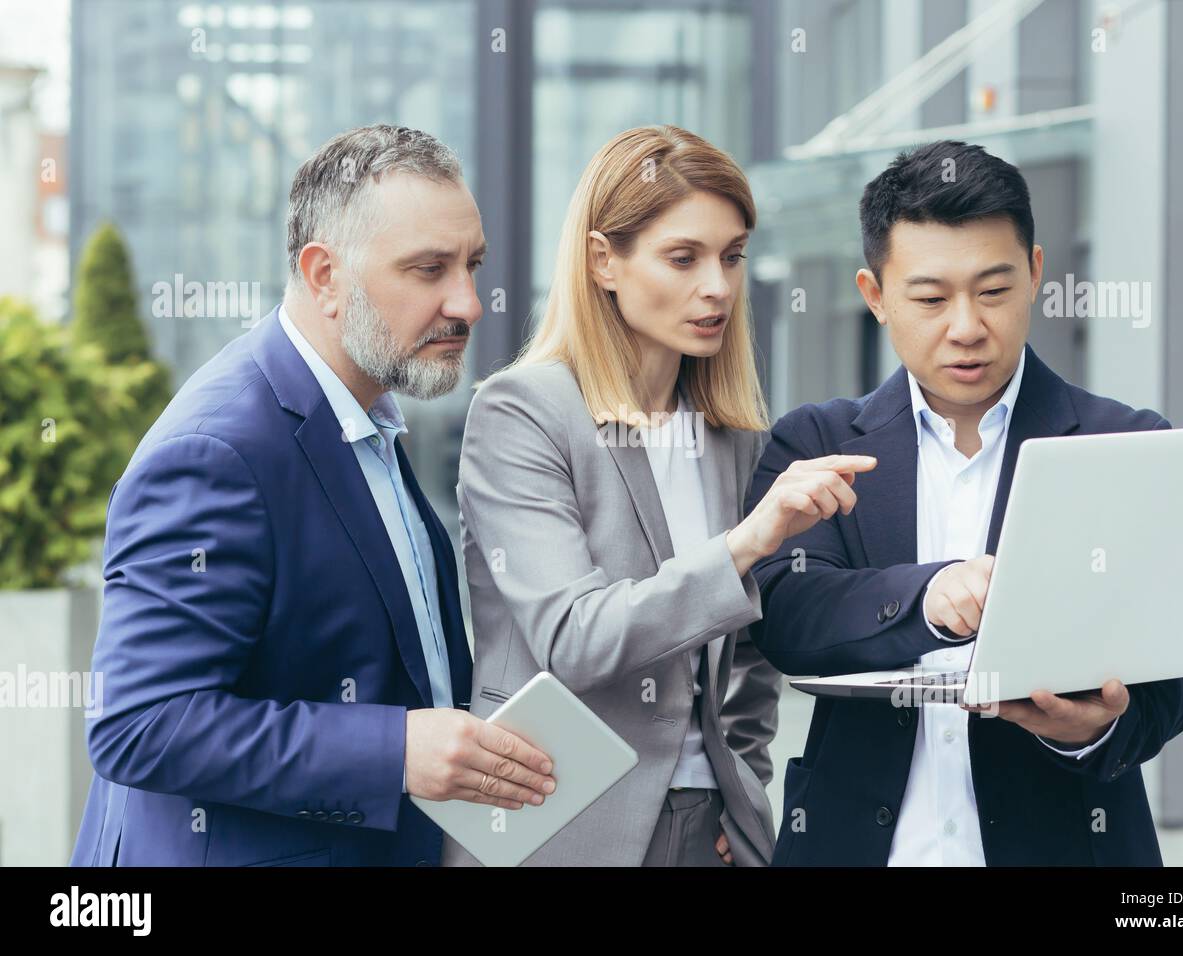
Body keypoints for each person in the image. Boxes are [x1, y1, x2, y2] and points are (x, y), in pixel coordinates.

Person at [71, 125, 554, 867]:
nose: (468, 303)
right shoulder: (218, 452)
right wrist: (393, 750)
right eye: (429, 269)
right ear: (324, 275)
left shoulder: (368, 418)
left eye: (472, 265)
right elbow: (139, 723)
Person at [745, 140, 1183, 866]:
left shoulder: (1126, 442)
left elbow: (1180, 668)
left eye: (993, 291)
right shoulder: (816, 440)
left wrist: (1088, 729)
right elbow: (783, 612)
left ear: (1033, 275)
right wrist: (929, 597)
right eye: (930, 299)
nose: (966, 326)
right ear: (875, 296)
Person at [442, 125, 874, 867]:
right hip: (555, 828)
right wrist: (745, 544)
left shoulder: (730, 434)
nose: (718, 286)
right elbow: (574, 639)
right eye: (684, 257)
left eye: (732, 256)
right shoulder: (523, 412)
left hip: (706, 831)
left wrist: (734, 793)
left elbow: (746, 663)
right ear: (604, 260)